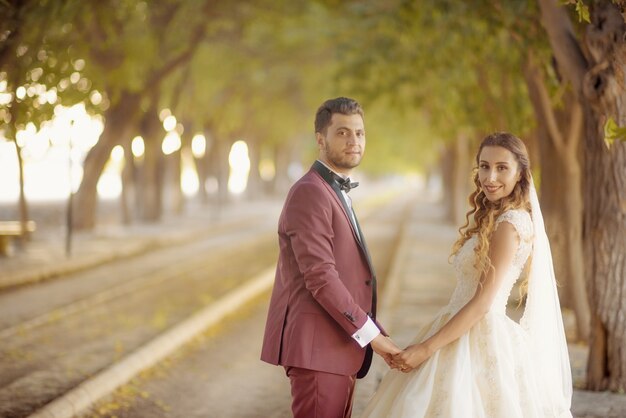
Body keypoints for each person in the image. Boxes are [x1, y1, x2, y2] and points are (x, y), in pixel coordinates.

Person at [360, 132, 573, 417]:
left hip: (481, 332)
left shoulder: (511, 224)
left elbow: (483, 303)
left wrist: (426, 348)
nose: (490, 176)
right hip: (457, 324)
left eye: (501, 167)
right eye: (484, 166)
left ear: (521, 173)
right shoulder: (495, 216)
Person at [260, 97, 401, 418]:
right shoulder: (310, 191)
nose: (354, 141)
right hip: (318, 351)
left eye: (360, 133)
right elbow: (320, 277)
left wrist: (372, 332)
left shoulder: (332, 190)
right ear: (320, 139)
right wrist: (371, 336)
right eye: (343, 133)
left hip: (336, 348)